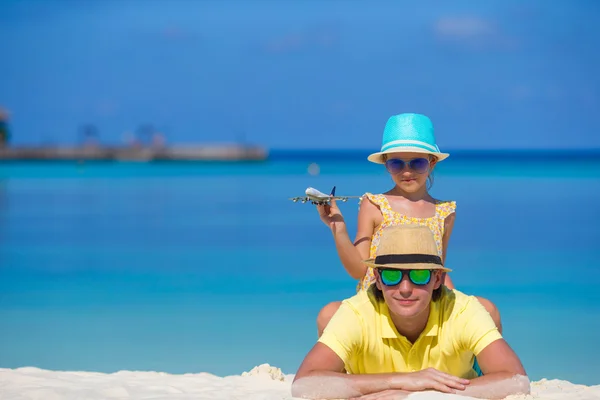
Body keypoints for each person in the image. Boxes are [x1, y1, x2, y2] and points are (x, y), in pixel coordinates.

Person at [315, 113, 501, 337]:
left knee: (488, 311)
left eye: (417, 163)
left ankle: (480, 370)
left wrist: (455, 303)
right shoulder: (374, 205)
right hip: (379, 305)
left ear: (431, 163)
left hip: (424, 308)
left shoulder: (445, 212)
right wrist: (338, 229)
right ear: (386, 165)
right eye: (396, 163)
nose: (406, 171)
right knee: (328, 316)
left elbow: (438, 270)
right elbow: (358, 270)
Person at [292, 225, 529, 400]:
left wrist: (421, 394)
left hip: (455, 380)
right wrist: (402, 380)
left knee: (487, 309)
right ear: (377, 279)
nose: (405, 289)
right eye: (392, 275)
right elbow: (304, 384)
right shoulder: (357, 313)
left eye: (418, 275)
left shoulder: (462, 310)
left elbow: (516, 381)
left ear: (437, 279)